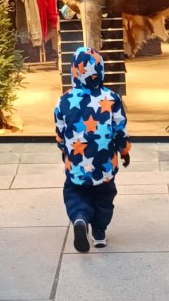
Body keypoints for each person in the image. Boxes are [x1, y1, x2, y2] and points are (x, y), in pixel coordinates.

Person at [54, 45, 132, 252]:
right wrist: (124, 151)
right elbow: (120, 130)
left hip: (76, 163)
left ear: (73, 71)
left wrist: (64, 151)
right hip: (104, 165)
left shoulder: (63, 101)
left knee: (74, 193)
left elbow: (60, 132)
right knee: (104, 198)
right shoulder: (112, 99)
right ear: (101, 70)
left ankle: (80, 217)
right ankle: (99, 231)